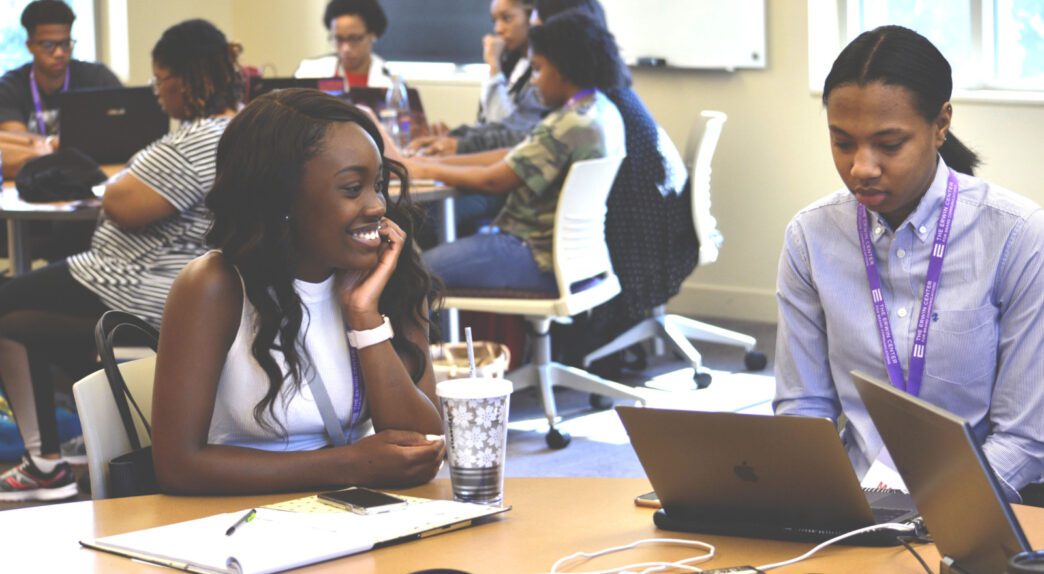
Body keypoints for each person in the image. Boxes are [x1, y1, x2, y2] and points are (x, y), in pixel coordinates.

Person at [774, 25, 1044, 504]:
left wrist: (934, 512)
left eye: (889, 144)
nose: (862, 167)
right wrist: (824, 502)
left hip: (978, 503)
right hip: (855, 507)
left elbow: (1024, 438)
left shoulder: (1017, 235)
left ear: (941, 125)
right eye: (842, 142)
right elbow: (804, 406)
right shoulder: (810, 237)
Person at [150, 89, 444, 494]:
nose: (377, 205)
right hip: (237, 522)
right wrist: (349, 465)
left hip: (349, 516)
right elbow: (178, 465)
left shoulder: (391, 275)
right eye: (351, 188)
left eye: (376, 185)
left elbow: (424, 448)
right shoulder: (214, 287)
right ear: (283, 197)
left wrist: (364, 316)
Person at [0, 19, 241, 501]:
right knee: (19, 314)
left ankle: (46, 462)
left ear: (186, 80)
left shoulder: (199, 139)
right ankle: (54, 449)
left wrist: (114, 183)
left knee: (7, 303)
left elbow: (125, 204)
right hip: (157, 280)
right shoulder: (241, 129)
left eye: (159, 80)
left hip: (136, 280)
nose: (156, 93)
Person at [405, 11, 625, 294]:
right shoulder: (599, 111)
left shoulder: (568, 124)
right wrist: (437, 160)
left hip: (531, 254)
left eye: (538, 69)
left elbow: (493, 180)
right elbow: (514, 153)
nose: (533, 80)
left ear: (563, 68)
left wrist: (425, 170)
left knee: (410, 277)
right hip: (574, 259)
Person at [528, 0, 694, 369]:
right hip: (663, 229)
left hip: (640, 243)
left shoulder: (588, 111)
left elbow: (515, 164)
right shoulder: (610, 93)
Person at [408, 0, 546, 157]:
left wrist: (494, 67)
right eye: (494, 21)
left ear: (532, 17)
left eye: (507, 18)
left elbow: (510, 129)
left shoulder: (540, 73)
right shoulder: (513, 64)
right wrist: (454, 136)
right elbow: (495, 125)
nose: (498, 29)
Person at [0, 0, 121, 178]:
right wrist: (57, 144)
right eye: (49, 45)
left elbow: (121, 129)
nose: (59, 53)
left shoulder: (97, 77)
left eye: (66, 43)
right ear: (30, 45)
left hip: (91, 176)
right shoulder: (10, 87)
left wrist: (53, 146)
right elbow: (18, 140)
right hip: (35, 179)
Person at [295, 0, 391, 89]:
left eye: (354, 39)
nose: (345, 48)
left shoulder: (390, 80)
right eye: (338, 39)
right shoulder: (309, 71)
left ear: (373, 35)